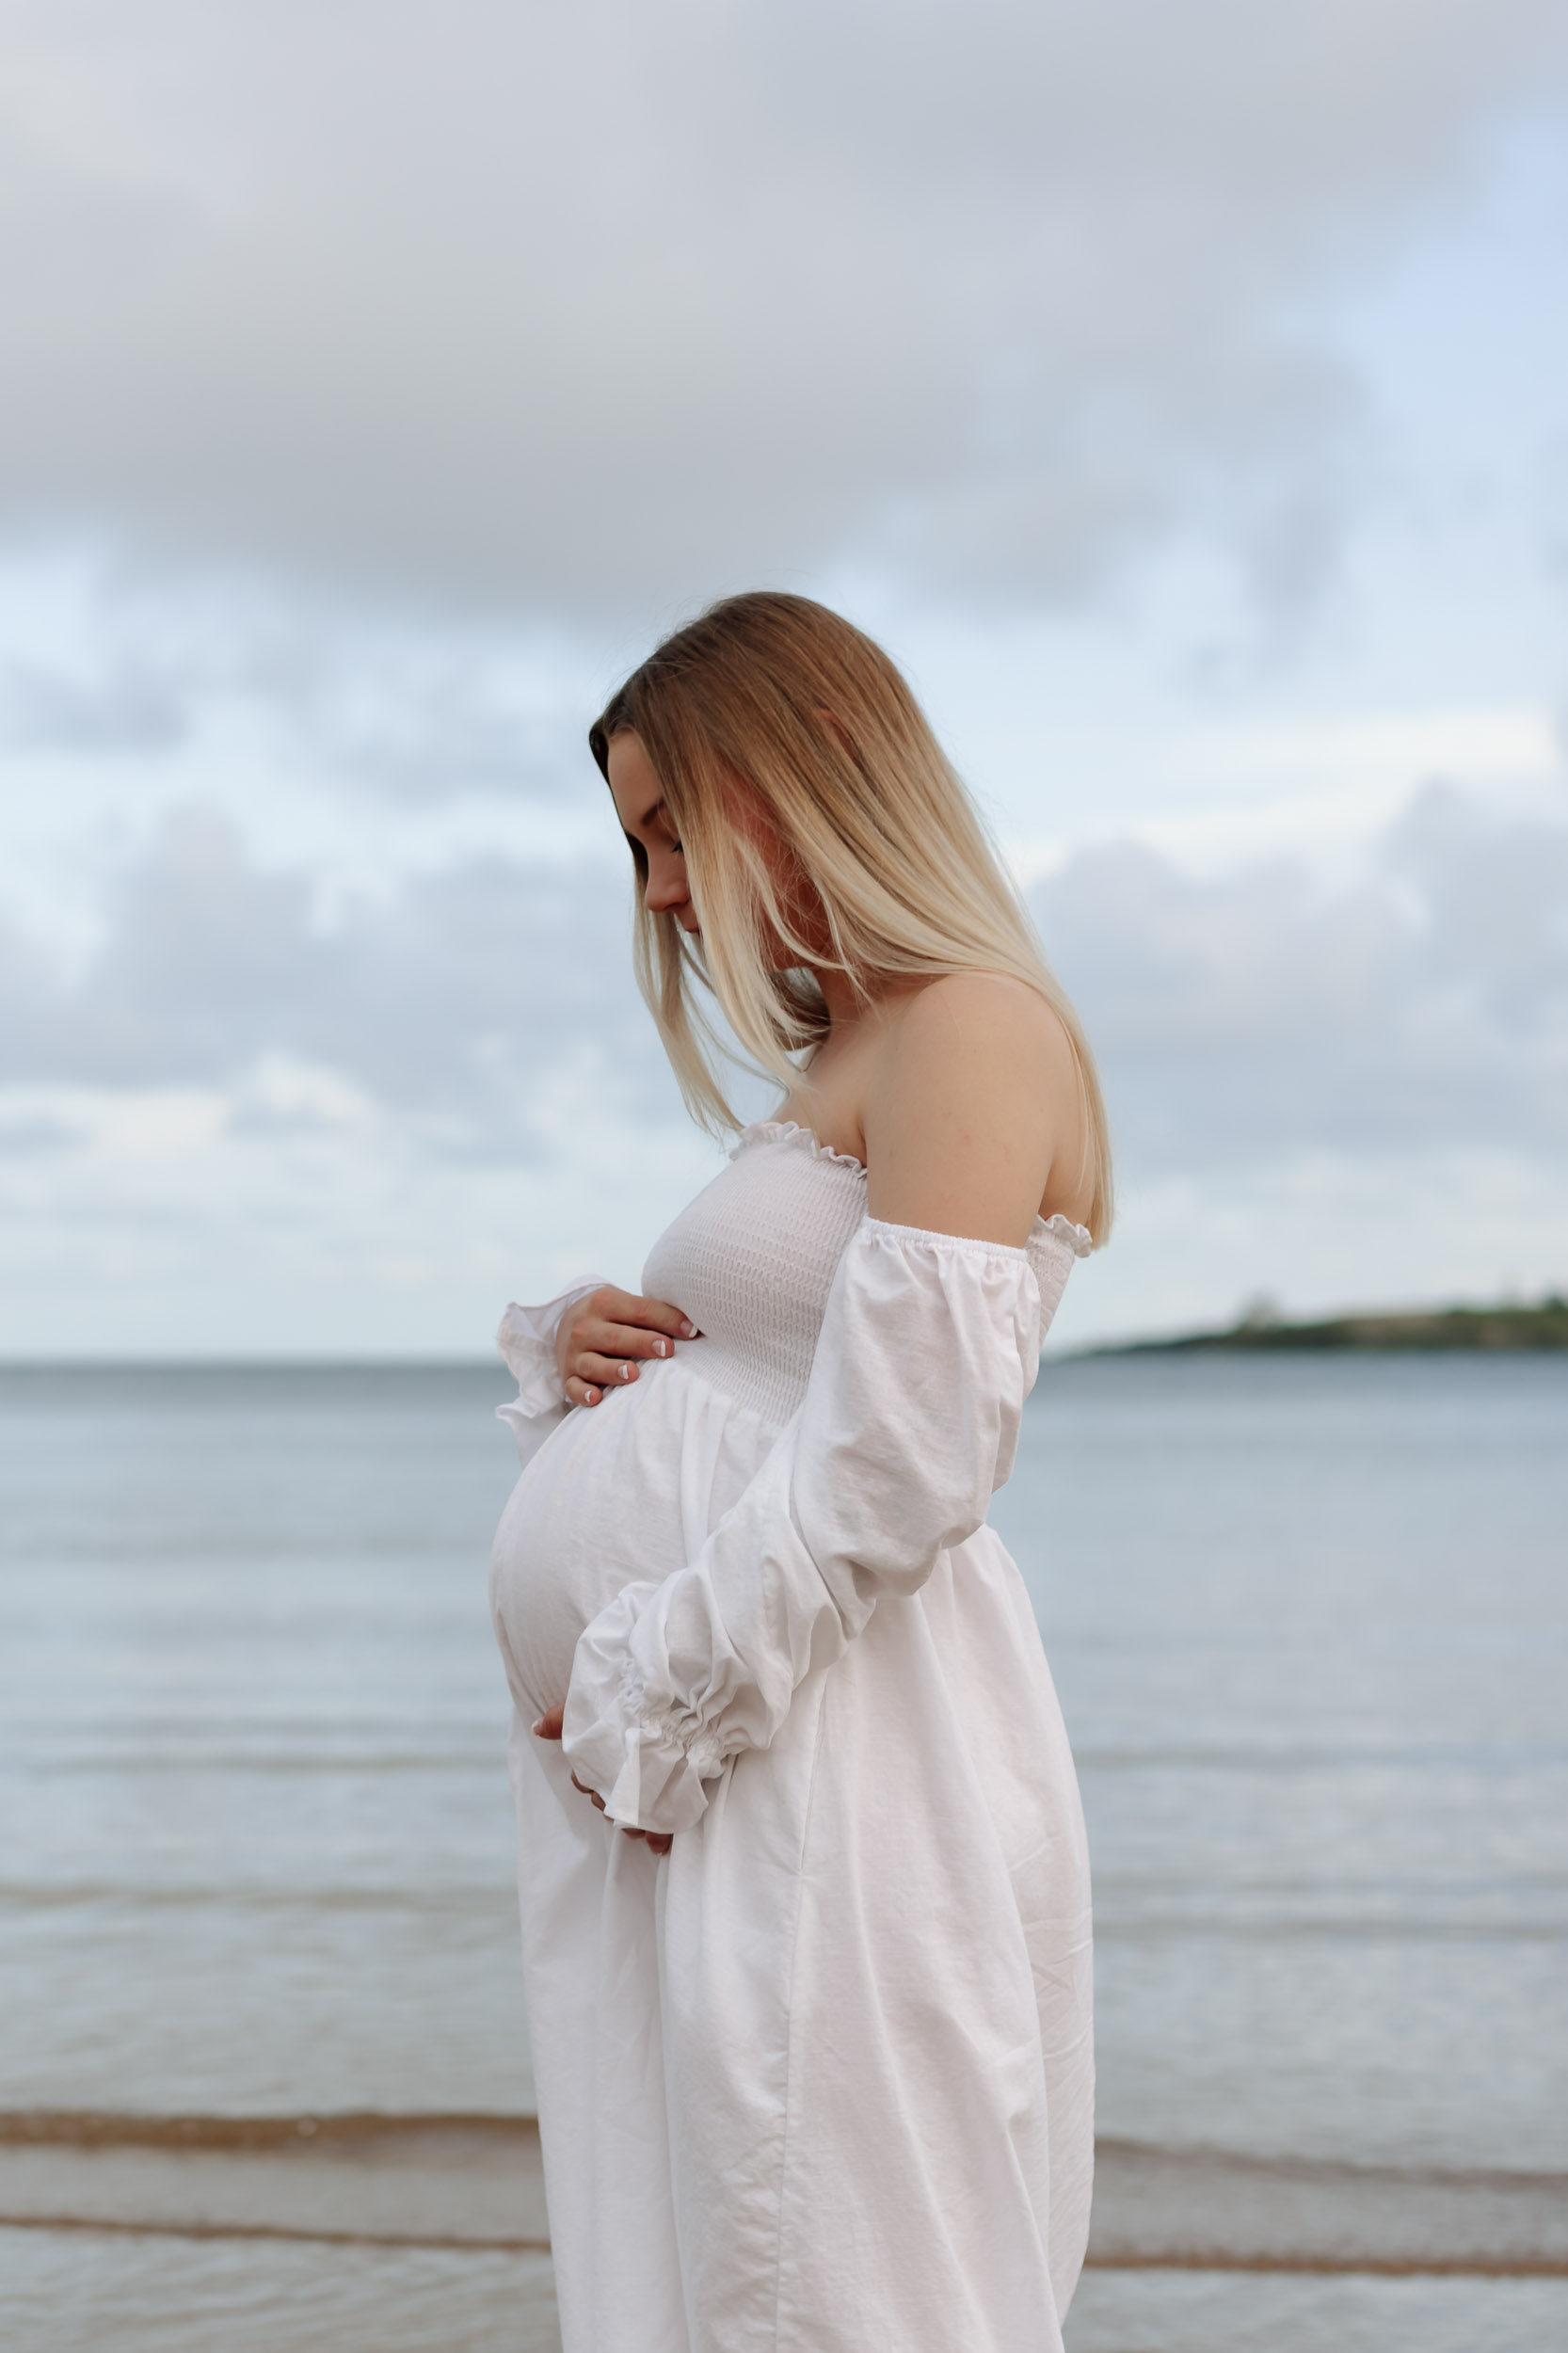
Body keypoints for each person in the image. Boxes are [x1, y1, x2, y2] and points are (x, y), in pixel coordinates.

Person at [489, 592, 1111, 2353]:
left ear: (801, 763)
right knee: (710, 2270)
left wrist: (645, 1699)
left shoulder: (971, 1026)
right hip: (723, 1757)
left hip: (814, 1746)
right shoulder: (851, 1056)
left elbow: (902, 1464)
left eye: (672, 824)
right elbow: (782, 1386)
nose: (664, 889)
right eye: (638, 850)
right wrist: (597, 1353)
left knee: (834, 2281)